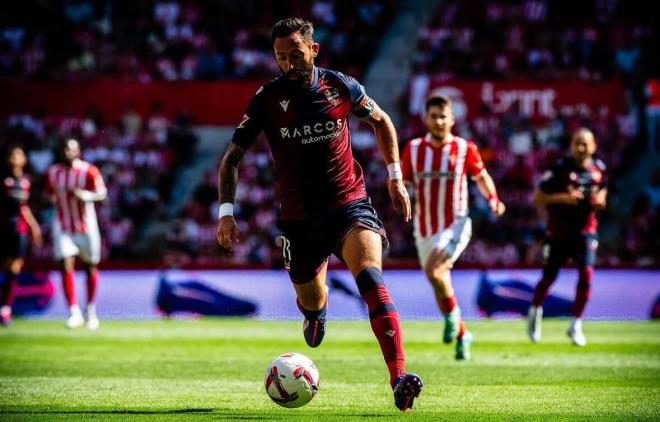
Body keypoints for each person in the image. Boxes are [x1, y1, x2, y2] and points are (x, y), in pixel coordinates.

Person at [216, 18, 423, 411]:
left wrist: (395, 176)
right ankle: (317, 310)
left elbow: (382, 121)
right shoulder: (266, 99)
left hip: (350, 204)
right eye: (280, 57)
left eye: (295, 54)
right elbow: (231, 159)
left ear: (314, 50)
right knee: (309, 300)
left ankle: (399, 378)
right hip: (298, 220)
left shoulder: (340, 86)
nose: (289, 64)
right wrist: (226, 213)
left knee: (371, 279)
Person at [401, 95, 505, 360]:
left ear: (452, 119)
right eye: (433, 116)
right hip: (424, 228)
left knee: (435, 271)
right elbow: (404, 183)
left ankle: (452, 318)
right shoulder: (413, 150)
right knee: (438, 280)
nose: (438, 121)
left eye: (443, 116)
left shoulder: (464, 148)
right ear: (426, 119)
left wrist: (493, 199)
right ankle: (462, 332)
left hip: (455, 223)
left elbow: (481, 176)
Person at [528, 128, 607, 346]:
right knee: (548, 278)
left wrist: (600, 200)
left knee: (586, 274)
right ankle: (535, 312)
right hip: (559, 233)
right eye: (577, 143)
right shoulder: (560, 168)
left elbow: (603, 192)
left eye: (585, 143)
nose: (580, 148)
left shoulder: (599, 170)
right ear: (571, 145)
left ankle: (576, 325)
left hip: (585, 232)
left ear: (593, 146)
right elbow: (538, 197)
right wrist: (564, 197)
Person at [46, 138, 107, 329]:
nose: (68, 153)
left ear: (78, 151)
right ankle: (73, 311)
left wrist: (85, 195)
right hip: (63, 225)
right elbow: (49, 194)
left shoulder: (88, 170)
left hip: (86, 226)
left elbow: (102, 194)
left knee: (90, 267)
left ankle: (90, 310)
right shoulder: (53, 172)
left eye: (72, 149)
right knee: (65, 264)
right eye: (65, 149)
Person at [0, 145, 42, 326]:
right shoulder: (3, 179)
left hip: (19, 230)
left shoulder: (25, 182)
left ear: (24, 159)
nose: (13, 158)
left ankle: (5, 309)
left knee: (14, 268)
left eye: (17, 154)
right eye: (11, 154)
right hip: (2, 228)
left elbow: (23, 207)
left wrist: (33, 226)